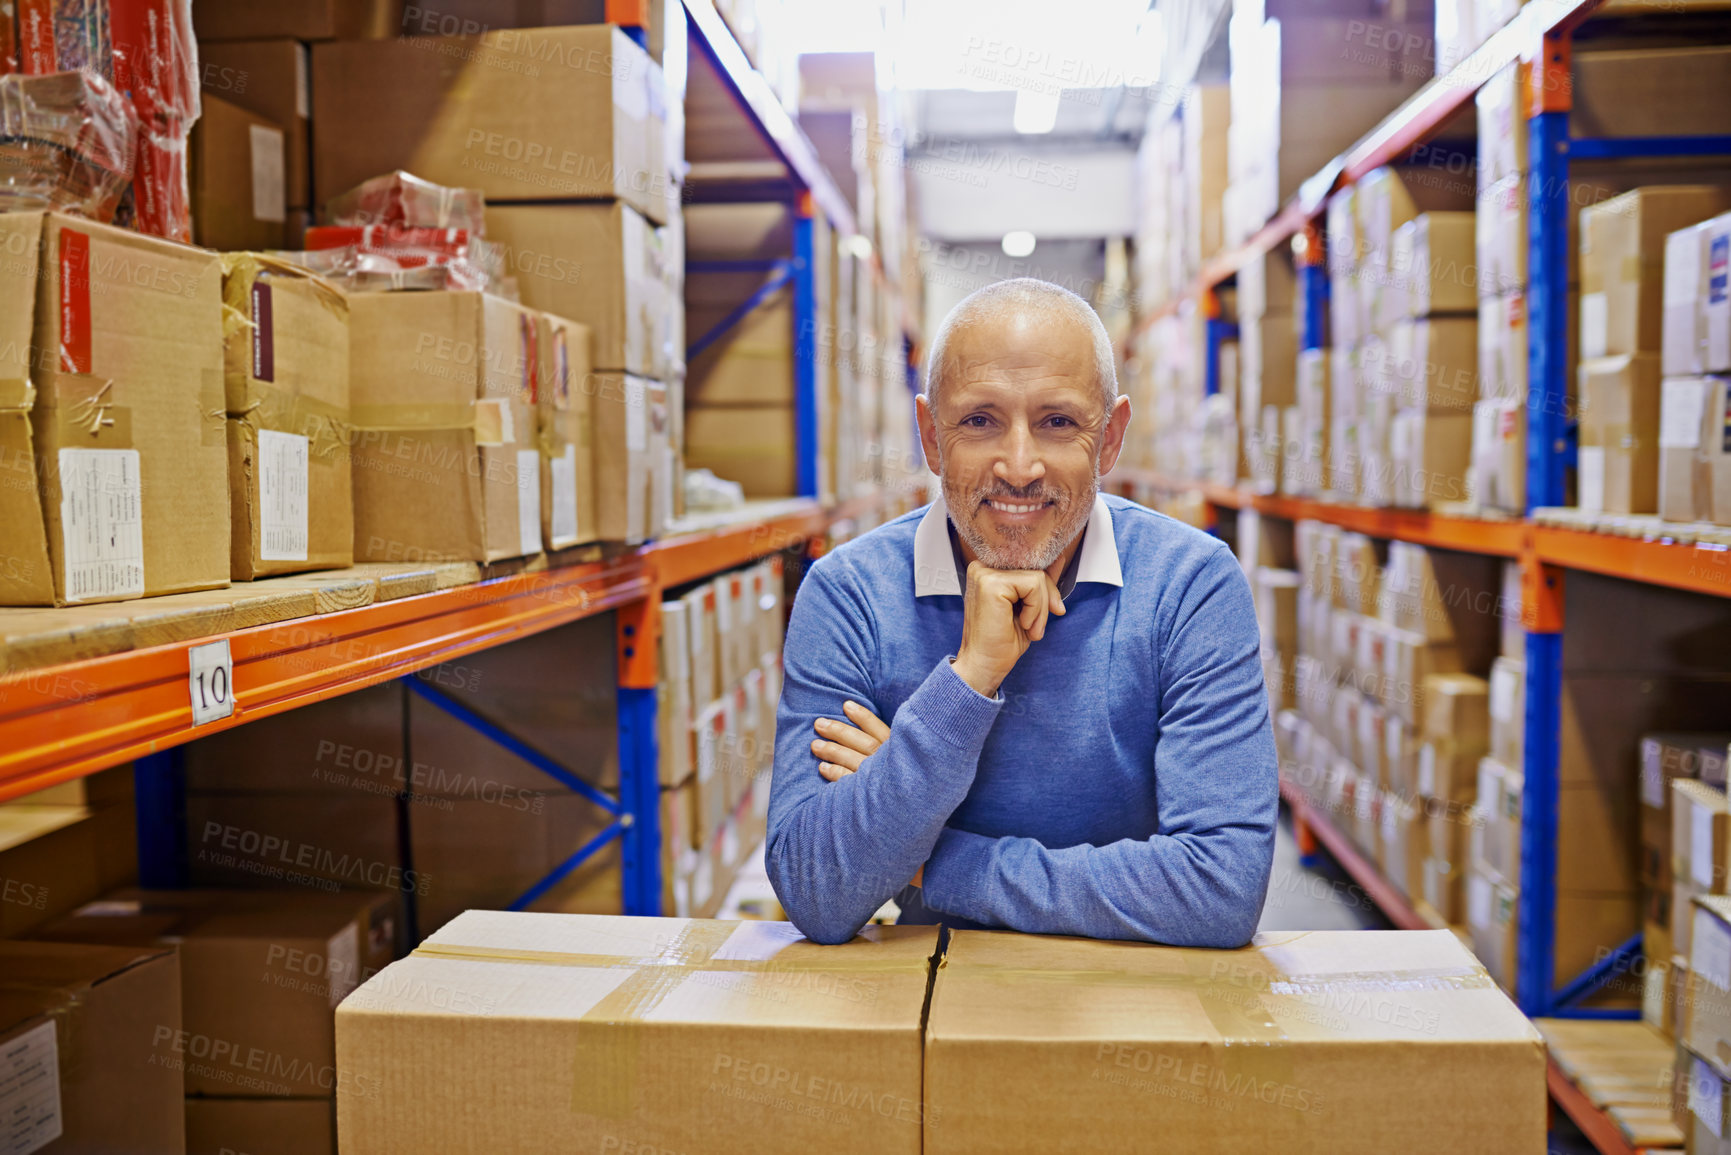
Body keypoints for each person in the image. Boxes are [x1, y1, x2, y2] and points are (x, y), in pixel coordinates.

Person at [765, 277, 1277, 946]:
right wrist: (968, 677)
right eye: (978, 420)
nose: (1018, 465)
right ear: (929, 434)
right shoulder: (848, 594)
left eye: (1057, 422)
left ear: (1111, 438)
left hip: (1139, 1010)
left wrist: (927, 860)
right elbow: (814, 887)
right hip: (924, 1004)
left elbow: (1220, 889)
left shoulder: (1190, 586)